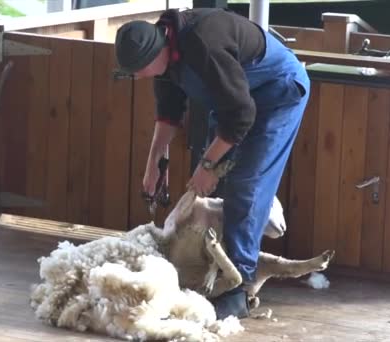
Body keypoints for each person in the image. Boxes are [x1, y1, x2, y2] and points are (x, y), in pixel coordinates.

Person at [114, 7, 310, 319]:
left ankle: (240, 287)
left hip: (278, 92)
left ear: (158, 51)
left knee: (246, 182)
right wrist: (154, 161)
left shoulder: (203, 43)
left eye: (139, 70)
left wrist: (208, 166)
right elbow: (169, 111)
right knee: (211, 175)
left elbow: (241, 114)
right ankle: (211, 270)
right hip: (234, 100)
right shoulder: (162, 51)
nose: (137, 77)